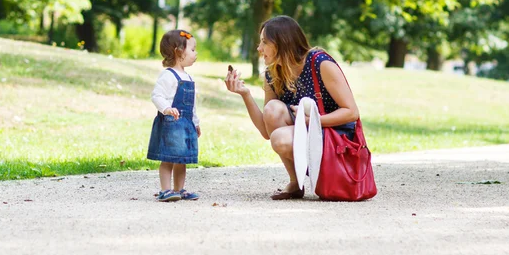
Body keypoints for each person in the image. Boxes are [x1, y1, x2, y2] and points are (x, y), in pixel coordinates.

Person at [225, 15, 359, 200]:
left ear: (281, 43)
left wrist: (312, 121)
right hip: (309, 133)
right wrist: (245, 94)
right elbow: (266, 131)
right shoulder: (273, 74)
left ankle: (321, 177)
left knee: (280, 138)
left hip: (336, 139)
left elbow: (351, 113)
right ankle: (296, 183)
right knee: (272, 110)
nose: (259, 48)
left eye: (264, 42)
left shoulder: (320, 63)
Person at [148, 29, 202, 202]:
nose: (196, 53)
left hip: (186, 124)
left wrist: (196, 123)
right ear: (178, 51)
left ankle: (179, 189)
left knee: (182, 160)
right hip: (171, 124)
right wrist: (166, 109)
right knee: (168, 158)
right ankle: (166, 190)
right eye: (192, 50)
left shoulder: (189, 77)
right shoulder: (168, 76)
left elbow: (191, 106)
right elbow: (157, 95)